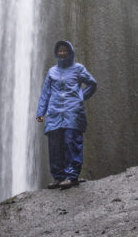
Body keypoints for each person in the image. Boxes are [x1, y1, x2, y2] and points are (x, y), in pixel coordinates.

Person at [36, 40, 97, 189]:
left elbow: (92, 83)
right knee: (55, 146)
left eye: (65, 51)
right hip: (54, 113)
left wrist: (80, 97)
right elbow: (46, 93)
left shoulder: (78, 69)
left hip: (73, 113)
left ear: (70, 53)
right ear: (56, 53)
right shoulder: (52, 71)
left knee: (72, 142)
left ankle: (72, 176)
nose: (62, 53)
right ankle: (59, 177)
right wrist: (41, 112)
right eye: (60, 51)